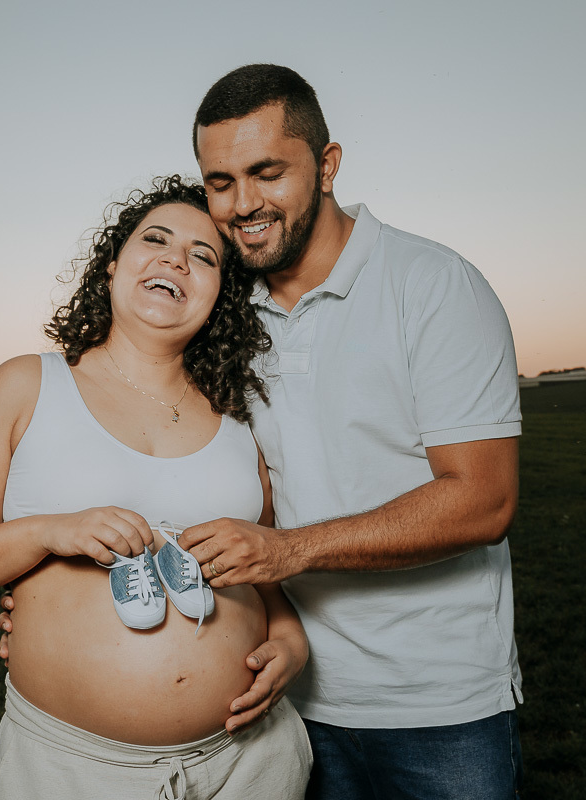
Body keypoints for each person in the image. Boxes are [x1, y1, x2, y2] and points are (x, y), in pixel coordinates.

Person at [175, 65, 526, 799]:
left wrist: (289, 551)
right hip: (284, 695)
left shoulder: (431, 285)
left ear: (328, 165)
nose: (243, 205)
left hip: (438, 708)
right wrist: (54, 601)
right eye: (220, 182)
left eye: (267, 172)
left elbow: (483, 501)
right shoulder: (223, 311)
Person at [0, 176, 312, 800]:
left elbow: (259, 568)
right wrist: (51, 531)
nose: (177, 259)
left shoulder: (241, 420)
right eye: (155, 239)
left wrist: (289, 639)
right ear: (110, 268)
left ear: (219, 297)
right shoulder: (27, 385)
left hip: (251, 761)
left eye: (204, 256)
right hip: (74, 770)